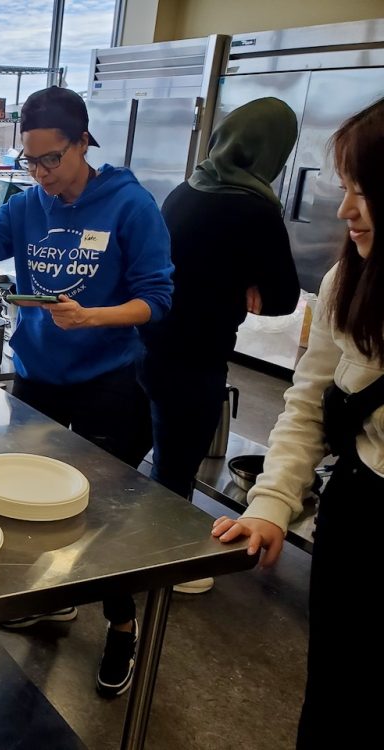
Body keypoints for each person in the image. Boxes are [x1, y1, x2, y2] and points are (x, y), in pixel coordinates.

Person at [0, 86, 173, 698]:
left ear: (83, 143)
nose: (41, 174)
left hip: (108, 386)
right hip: (38, 381)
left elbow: (158, 300)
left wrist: (92, 317)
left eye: (52, 160)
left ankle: (122, 622)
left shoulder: (129, 205)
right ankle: (53, 600)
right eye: (30, 161)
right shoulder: (26, 206)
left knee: (101, 517)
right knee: (27, 503)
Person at [213, 97, 384, 748]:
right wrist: (272, 503)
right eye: (346, 189)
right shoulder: (352, 281)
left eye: (365, 192)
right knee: (336, 696)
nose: (345, 211)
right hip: (361, 517)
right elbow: (310, 398)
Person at [139, 98, 301, 594]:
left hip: (147, 341)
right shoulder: (255, 208)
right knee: (178, 460)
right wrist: (250, 286)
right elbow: (284, 297)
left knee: (151, 446)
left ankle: (136, 544)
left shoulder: (185, 190)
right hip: (198, 352)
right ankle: (168, 563)